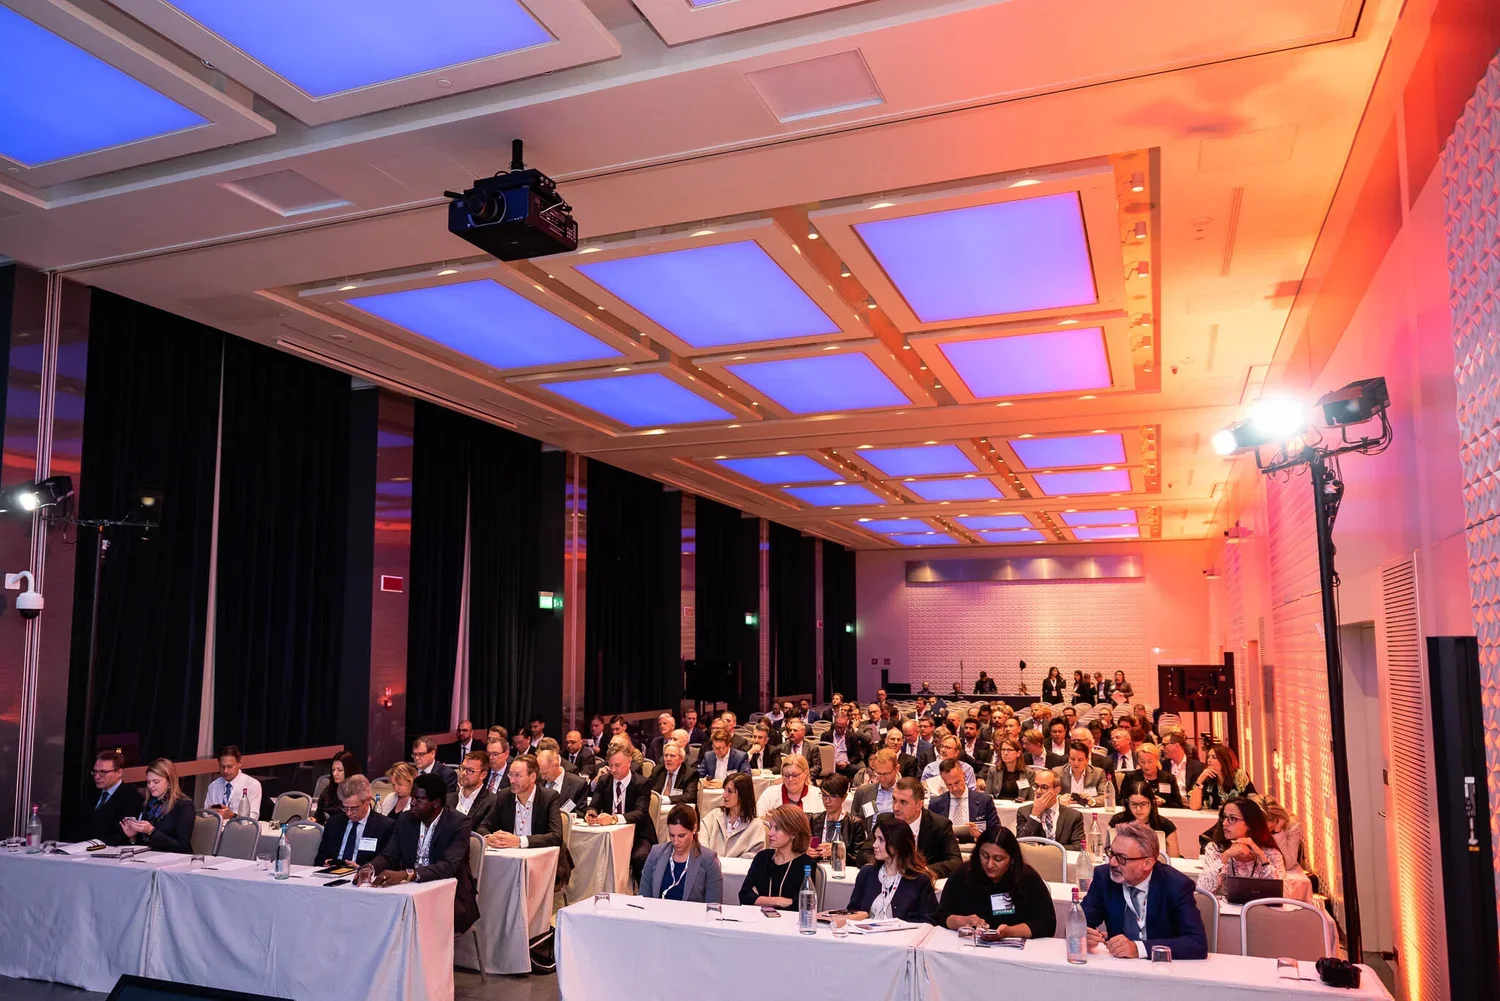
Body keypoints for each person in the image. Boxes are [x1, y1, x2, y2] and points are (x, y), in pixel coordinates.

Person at [363, 773, 480, 935]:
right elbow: (390, 855)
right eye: (412, 798)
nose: (412, 803)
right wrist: (370, 867)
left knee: (403, 925)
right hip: (410, 890)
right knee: (375, 912)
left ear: (436, 803)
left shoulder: (458, 823)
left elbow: (448, 866)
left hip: (449, 894)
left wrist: (408, 874)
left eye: (419, 800)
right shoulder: (405, 819)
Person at [1080, 821, 1207, 959]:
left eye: (1122, 858)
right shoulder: (1104, 877)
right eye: (1111, 853)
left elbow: (1197, 943)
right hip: (1118, 965)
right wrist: (1082, 933)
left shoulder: (1176, 885)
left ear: (1148, 863)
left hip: (1163, 969)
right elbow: (1080, 921)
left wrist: (1138, 949)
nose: (1112, 863)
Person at [937, 825, 1057, 937]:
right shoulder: (963, 874)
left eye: (998, 859)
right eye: (984, 855)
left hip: (1015, 951)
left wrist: (1011, 932)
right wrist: (962, 921)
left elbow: (1047, 924)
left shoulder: (1027, 877)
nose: (989, 864)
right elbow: (941, 915)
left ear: (1012, 859)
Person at [842, 816, 938, 923]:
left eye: (881, 840)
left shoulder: (919, 880)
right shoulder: (866, 873)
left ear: (897, 844)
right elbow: (851, 911)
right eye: (875, 839)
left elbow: (930, 921)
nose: (874, 845)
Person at [587, 746, 656, 880]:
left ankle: (643, 895)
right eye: (610, 765)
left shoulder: (642, 783)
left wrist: (614, 819)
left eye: (617, 765)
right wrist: (591, 814)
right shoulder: (604, 781)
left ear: (629, 762)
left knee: (640, 857)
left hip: (638, 834)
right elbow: (594, 805)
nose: (613, 770)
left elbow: (640, 813)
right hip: (608, 835)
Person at [1196, 798, 1285, 895]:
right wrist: (1225, 856)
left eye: (1233, 819)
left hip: (1258, 909)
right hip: (1223, 909)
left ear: (1250, 824)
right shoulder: (1215, 849)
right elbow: (1202, 890)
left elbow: (1284, 895)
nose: (1224, 823)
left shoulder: (1271, 853)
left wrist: (1261, 856)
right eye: (1224, 817)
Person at [738, 805, 818, 910]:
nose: (770, 833)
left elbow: (802, 904)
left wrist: (760, 899)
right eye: (771, 827)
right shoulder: (762, 857)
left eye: (777, 828)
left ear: (793, 834)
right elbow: (744, 896)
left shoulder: (806, 864)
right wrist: (778, 901)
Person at [639, 805, 723, 902]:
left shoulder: (708, 860)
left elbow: (714, 905)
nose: (675, 841)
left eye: (681, 836)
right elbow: (643, 898)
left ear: (694, 829)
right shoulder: (656, 853)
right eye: (672, 835)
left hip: (691, 916)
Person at [888, 777, 962, 879]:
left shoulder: (940, 826)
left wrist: (922, 871)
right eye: (894, 800)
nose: (895, 807)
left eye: (903, 802)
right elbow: (864, 854)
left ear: (919, 805)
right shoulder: (886, 821)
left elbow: (955, 862)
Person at [316, 774, 395, 866]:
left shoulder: (385, 826)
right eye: (345, 808)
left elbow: (388, 864)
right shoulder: (334, 823)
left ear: (368, 800)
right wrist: (325, 863)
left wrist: (362, 869)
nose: (348, 813)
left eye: (354, 808)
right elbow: (319, 859)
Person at [121, 758, 194, 853]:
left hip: (173, 860)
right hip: (148, 857)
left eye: (156, 782)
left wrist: (151, 832)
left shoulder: (184, 805)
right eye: (148, 782)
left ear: (169, 781)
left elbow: (182, 846)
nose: (150, 786)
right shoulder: (148, 804)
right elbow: (143, 844)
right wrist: (133, 837)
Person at [930, 757, 1000, 843]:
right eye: (949, 785)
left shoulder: (984, 801)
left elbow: (997, 832)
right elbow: (929, 835)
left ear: (964, 774)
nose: (954, 788)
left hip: (976, 847)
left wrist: (980, 835)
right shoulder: (936, 804)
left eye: (957, 782)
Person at [698, 772, 766, 859]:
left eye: (729, 791)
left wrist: (730, 863)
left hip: (739, 871)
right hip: (711, 868)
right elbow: (701, 839)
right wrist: (711, 859)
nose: (724, 795)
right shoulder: (714, 815)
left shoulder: (756, 825)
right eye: (724, 790)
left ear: (743, 795)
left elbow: (755, 855)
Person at [807, 774, 870, 867]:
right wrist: (807, 852)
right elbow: (805, 848)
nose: (827, 801)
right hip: (818, 869)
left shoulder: (855, 824)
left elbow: (859, 860)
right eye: (824, 795)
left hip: (843, 871)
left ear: (844, 797)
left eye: (833, 796)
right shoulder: (815, 820)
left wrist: (839, 853)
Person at [1014, 769, 1085, 851]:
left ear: (1057, 790)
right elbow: (1020, 845)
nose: (1038, 791)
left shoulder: (1073, 816)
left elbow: (1079, 847)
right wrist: (1034, 815)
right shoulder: (1023, 812)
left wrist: (1045, 849)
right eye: (1036, 786)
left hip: (1062, 861)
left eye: (1044, 787)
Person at [1110, 780, 1181, 857]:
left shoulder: (1166, 826)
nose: (1138, 809)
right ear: (1127, 803)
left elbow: (1174, 859)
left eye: (1143, 804)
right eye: (1133, 804)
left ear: (1152, 803)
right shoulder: (1117, 821)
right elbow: (1110, 854)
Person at [87, 750, 142, 846]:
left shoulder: (131, 797)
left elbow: (121, 834)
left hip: (109, 851)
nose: (97, 777)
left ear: (119, 772)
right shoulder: (92, 792)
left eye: (103, 772)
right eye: (95, 772)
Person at [1189, 744, 1257, 811]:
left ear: (1224, 760)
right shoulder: (1206, 778)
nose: (1209, 760)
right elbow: (1194, 807)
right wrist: (1199, 781)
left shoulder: (1239, 776)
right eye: (1208, 757)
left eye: (1214, 757)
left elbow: (1253, 801)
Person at [204, 745, 263, 820]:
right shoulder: (214, 786)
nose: (225, 771)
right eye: (222, 767)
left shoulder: (252, 785)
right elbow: (205, 813)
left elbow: (253, 817)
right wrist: (212, 813)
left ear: (239, 764)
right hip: (217, 828)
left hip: (241, 829)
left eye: (229, 767)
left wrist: (232, 816)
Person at [757, 754, 825, 815]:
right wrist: (766, 820)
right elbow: (758, 818)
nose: (790, 779)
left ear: (805, 773)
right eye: (786, 775)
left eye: (795, 775)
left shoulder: (817, 794)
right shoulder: (770, 793)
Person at [1124, 743, 1184, 810]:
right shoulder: (1131, 777)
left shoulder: (1169, 778)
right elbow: (1120, 801)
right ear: (1137, 761)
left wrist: (1163, 802)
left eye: (1150, 762)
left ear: (1157, 760)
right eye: (1142, 762)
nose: (1146, 766)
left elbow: (1179, 804)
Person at [851, 748, 903, 823]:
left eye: (886, 774)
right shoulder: (863, 792)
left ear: (897, 769)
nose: (882, 778)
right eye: (878, 773)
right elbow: (854, 823)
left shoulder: (906, 793)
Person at [448, 750, 497, 828]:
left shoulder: (492, 802)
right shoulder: (448, 798)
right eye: (462, 768)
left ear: (483, 775)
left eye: (470, 770)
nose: (463, 773)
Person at [1054, 741, 1111, 808]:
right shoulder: (1057, 772)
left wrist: (1092, 800)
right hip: (1065, 812)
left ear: (1087, 760)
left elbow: (1106, 797)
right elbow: (1047, 793)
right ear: (1068, 759)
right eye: (1072, 759)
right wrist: (1059, 798)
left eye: (1080, 760)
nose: (1076, 763)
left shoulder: (1098, 773)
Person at [537, 747, 589, 813]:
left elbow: (580, 812)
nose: (542, 777)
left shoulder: (578, 784)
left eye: (545, 773)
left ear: (556, 765)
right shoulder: (538, 781)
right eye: (540, 773)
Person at [313, 751, 359, 824]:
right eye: (333, 770)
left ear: (349, 770)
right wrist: (314, 819)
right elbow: (319, 816)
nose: (335, 774)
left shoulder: (358, 792)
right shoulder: (328, 791)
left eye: (339, 770)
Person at [650, 741, 698, 806]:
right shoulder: (658, 770)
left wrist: (665, 799)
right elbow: (646, 789)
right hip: (657, 808)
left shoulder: (690, 774)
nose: (668, 759)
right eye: (666, 755)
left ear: (681, 759)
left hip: (679, 810)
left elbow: (690, 796)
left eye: (672, 756)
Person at [825, 711, 869, 778]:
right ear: (834, 725)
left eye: (842, 727)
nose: (839, 730)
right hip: (830, 764)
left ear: (846, 725)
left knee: (857, 769)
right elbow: (823, 755)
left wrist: (847, 763)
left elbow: (856, 756)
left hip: (846, 765)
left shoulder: (852, 737)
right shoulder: (826, 736)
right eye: (837, 727)